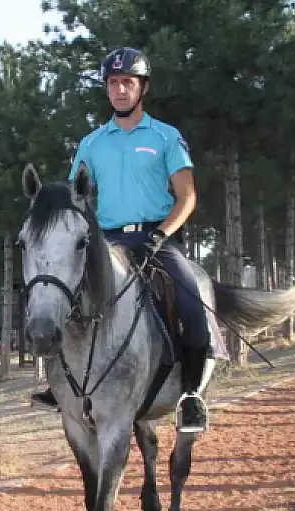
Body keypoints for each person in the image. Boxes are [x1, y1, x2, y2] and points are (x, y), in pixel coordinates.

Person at [30, 46, 215, 433]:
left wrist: (162, 235)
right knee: (60, 298)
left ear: (142, 88)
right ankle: (60, 385)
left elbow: (187, 196)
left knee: (193, 309)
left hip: (157, 240)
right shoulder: (92, 143)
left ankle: (191, 396)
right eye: (113, 83)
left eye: (127, 82)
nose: (119, 89)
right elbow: (76, 197)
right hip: (107, 242)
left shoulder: (166, 137)